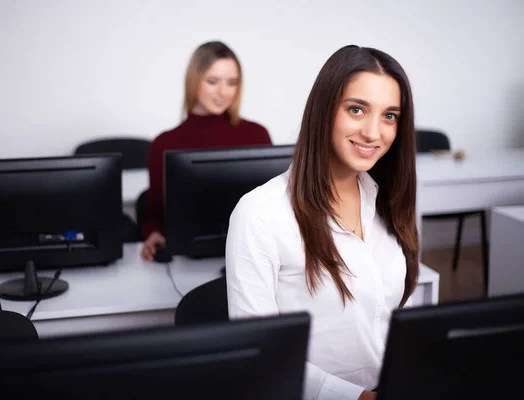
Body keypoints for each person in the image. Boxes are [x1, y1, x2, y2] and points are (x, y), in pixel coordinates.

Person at [225, 45, 420, 400]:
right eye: (357, 109)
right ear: (324, 110)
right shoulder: (260, 214)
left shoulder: (388, 200)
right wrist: (357, 397)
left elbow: (394, 315)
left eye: (389, 116)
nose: (374, 132)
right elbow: (261, 353)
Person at [141, 41, 272, 261]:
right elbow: (154, 215)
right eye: (212, 82)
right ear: (193, 82)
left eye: (232, 83)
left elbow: (273, 208)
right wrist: (153, 234)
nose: (223, 92)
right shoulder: (165, 143)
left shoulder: (257, 135)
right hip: (188, 261)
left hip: (250, 257)